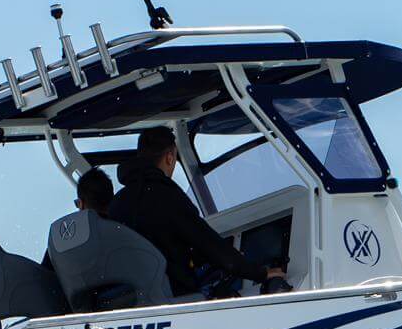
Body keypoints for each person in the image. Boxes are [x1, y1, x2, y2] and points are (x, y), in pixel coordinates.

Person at [109, 127, 288, 297]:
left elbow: (163, 244)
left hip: (133, 300)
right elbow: (210, 245)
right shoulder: (168, 197)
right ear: (170, 157)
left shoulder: (117, 203)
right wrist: (260, 273)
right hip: (172, 298)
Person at [41, 167, 114, 271]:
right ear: (111, 199)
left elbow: (44, 275)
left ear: (81, 203)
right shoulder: (124, 230)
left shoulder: (62, 239)